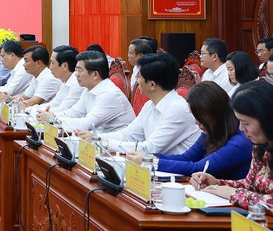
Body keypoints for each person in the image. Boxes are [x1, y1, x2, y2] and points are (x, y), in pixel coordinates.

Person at [77, 53, 199, 160]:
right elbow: (128, 135)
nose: (136, 81)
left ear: (152, 84)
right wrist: (97, 138)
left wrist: (104, 142)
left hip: (178, 177)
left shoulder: (177, 109)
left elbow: (149, 148)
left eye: (139, 76)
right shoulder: (149, 105)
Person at [192, 80, 273, 210]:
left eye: (246, 123)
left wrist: (234, 194)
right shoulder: (260, 146)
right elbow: (250, 185)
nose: (241, 128)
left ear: (266, 119)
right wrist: (217, 183)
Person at [154, 82, 252, 179]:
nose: (196, 122)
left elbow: (199, 168)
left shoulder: (240, 142)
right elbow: (187, 158)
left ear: (214, 112)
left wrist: (155, 163)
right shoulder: (212, 130)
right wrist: (149, 158)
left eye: (199, 117)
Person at [37, 51, 135, 133]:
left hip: (119, 149)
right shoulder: (88, 90)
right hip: (97, 142)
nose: (76, 75)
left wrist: (52, 119)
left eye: (79, 70)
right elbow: (73, 113)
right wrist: (50, 115)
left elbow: (86, 124)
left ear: (95, 75)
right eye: (76, 70)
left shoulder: (109, 94)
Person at [30, 46, 83, 116]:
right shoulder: (65, 82)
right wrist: (33, 109)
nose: (50, 67)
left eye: (52, 63)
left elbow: (64, 108)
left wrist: (36, 111)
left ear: (64, 66)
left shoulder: (77, 83)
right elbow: (54, 103)